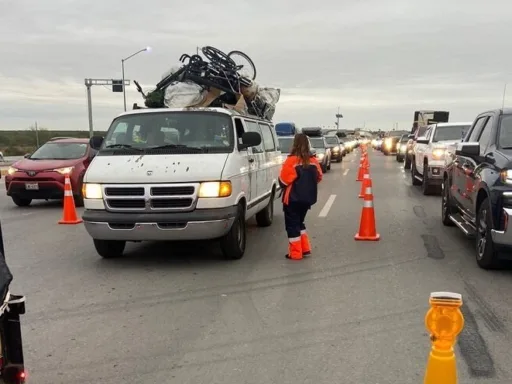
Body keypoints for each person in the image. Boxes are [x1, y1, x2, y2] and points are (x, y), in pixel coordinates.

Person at [278, 134, 323, 260]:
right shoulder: (313, 160)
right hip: (307, 199)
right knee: (299, 222)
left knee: (292, 225)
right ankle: (305, 248)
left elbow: (283, 181)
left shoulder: (292, 161)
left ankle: (296, 253)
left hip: (292, 199)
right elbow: (319, 177)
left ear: (295, 144)